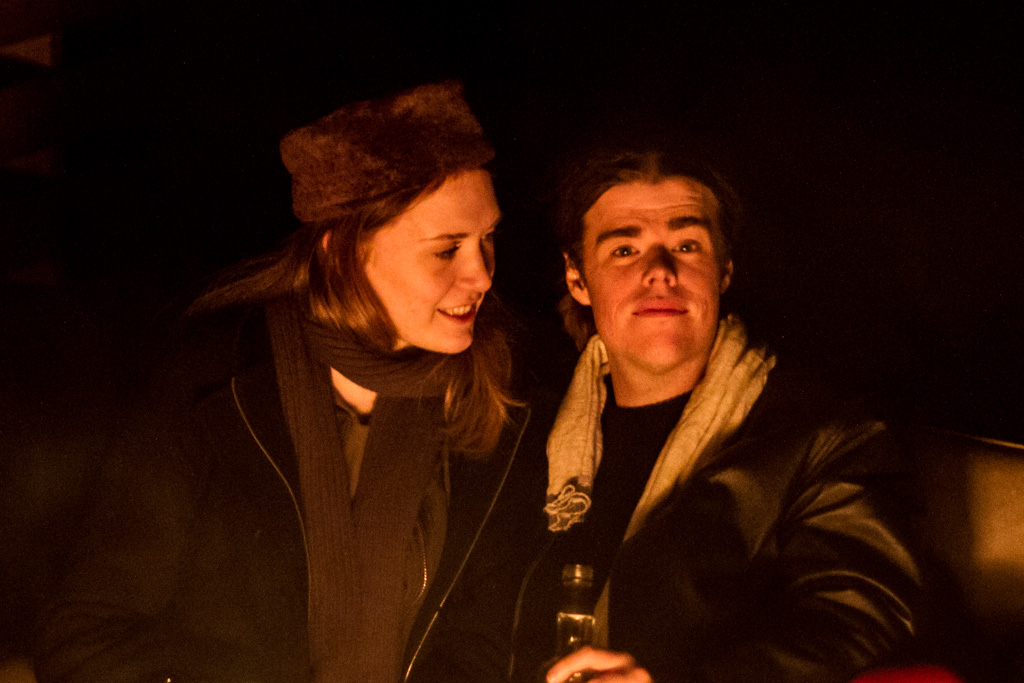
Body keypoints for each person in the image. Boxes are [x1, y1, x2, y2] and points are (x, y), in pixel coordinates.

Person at [32, 81, 542, 683]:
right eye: (446, 250)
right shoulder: (211, 387)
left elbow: (477, 646)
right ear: (341, 252)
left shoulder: (499, 406)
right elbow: (83, 634)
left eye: (487, 239)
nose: (482, 275)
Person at [411, 146, 922, 683]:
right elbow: (458, 628)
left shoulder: (826, 437)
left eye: (686, 245)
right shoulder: (514, 430)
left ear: (724, 270)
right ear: (577, 279)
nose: (659, 272)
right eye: (624, 250)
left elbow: (861, 617)